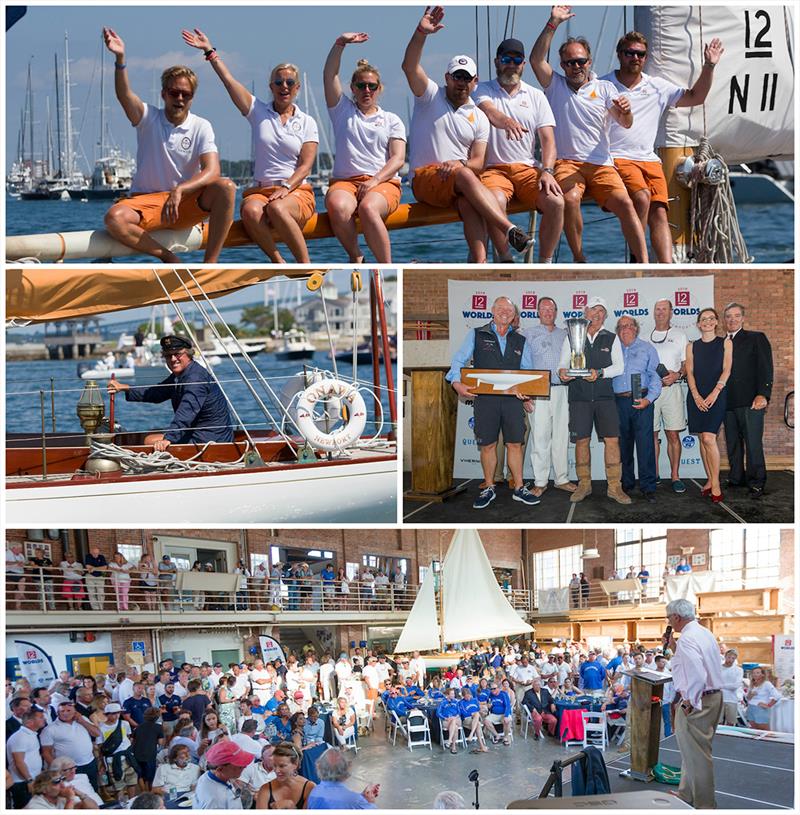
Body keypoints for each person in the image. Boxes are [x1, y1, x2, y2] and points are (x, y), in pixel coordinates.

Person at [402, 6, 533, 262]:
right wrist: (421, 33)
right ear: (447, 78)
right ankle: (509, 230)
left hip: (458, 184)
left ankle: (483, 263)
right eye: (456, 77)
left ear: (475, 81)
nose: (461, 83)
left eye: (466, 78)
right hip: (425, 179)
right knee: (466, 177)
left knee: (469, 203)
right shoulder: (429, 96)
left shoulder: (479, 116)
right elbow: (409, 66)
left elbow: (478, 162)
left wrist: (458, 164)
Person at [182, 29, 318, 264]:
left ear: (297, 88)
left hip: (295, 192)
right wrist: (209, 51)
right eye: (278, 82)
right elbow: (229, 81)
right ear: (271, 86)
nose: (283, 86)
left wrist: (286, 187)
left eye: (289, 82)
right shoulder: (257, 111)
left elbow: (306, 166)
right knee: (249, 211)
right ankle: (278, 263)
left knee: (277, 209)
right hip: (261, 192)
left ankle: (305, 266)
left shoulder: (307, 122)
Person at [101, 28, 235, 263]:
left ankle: (210, 265)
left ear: (192, 97)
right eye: (174, 93)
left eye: (186, 94)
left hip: (183, 203)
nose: (180, 98)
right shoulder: (147, 118)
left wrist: (181, 189)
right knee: (114, 218)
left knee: (226, 187)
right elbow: (124, 95)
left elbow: (213, 171)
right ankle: (168, 258)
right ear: (164, 94)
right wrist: (120, 60)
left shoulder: (201, 126)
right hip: (147, 202)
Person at [530, 6, 648, 263]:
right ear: (562, 65)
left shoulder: (605, 88)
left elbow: (625, 123)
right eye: (570, 62)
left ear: (589, 62)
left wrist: (626, 112)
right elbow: (536, 60)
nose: (576, 66)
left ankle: (645, 262)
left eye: (581, 61)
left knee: (627, 204)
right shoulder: (554, 85)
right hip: (567, 162)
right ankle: (579, 256)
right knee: (570, 199)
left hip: (601, 164)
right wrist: (553, 23)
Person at [602, 31, 724, 262]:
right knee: (642, 197)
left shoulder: (657, 87)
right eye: (630, 53)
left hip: (649, 160)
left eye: (640, 54)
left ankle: (668, 266)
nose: (635, 58)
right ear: (620, 55)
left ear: (646, 58)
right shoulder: (604, 85)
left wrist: (709, 65)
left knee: (659, 212)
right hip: (617, 158)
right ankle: (640, 260)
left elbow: (696, 97)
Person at [474, 38, 563, 262]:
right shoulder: (481, 90)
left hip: (527, 168)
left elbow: (548, 140)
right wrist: (506, 121)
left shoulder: (536, 96)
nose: (511, 64)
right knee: (494, 201)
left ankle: (545, 262)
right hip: (494, 169)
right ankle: (505, 257)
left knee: (556, 202)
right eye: (506, 59)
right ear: (497, 62)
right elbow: (489, 111)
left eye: (517, 60)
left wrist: (548, 171)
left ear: (523, 64)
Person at [447, 296, 541, 509]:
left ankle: (518, 488)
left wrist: (526, 390)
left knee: (515, 443)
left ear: (514, 316)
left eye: (509, 311)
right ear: (492, 311)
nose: (505, 313)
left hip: (512, 402)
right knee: (488, 445)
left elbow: (527, 370)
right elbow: (459, 360)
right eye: (501, 309)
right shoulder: (477, 333)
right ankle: (489, 487)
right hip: (485, 400)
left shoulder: (520, 340)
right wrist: (456, 382)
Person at [323, 34, 406, 263]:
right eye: (361, 86)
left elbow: (398, 159)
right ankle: (356, 257)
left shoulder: (392, 120)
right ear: (353, 88)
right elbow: (329, 75)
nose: (366, 90)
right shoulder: (342, 111)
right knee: (337, 206)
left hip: (383, 182)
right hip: (346, 183)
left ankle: (387, 266)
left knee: (369, 208)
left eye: (371, 86)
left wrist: (375, 180)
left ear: (379, 89)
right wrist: (339, 43)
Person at [558, 296, 629, 504]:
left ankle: (615, 487)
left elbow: (619, 367)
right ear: (585, 312)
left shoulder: (611, 337)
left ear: (605, 316)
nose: (596, 314)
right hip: (578, 397)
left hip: (605, 398)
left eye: (601, 311)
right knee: (582, 440)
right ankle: (584, 485)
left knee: (612, 440)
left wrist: (599, 372)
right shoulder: (571, 335)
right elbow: (562, 364)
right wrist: (562, 372)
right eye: (593, 310)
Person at [108, 335, 234, 450]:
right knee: (153, 433)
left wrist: (170, 439)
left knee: (149, 440)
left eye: (178, 354)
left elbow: (187, 411)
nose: (173, 359)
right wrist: (125, 387)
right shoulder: (181, 375)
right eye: (168, 355)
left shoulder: (195, 377)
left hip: (211, 439)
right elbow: (156, 392)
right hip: (199, 433)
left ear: (189, 354)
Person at [664, 598, 723, 809]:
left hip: (699, 699)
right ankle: (686, 793)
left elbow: (697, 673)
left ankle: (705, 804)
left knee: (698, 755)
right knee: (692, 750)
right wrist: (674, 648)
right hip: (713, 696)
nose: (668, 622)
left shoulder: (688, 638)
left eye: (668, 617)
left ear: (676, 617)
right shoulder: (704, 633)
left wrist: (690, 700)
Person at [521, 297, 575, 496]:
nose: (547, 312)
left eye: (551, 309)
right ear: (537, 312)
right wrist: (526, 396)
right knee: (540, 437)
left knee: (561, 436)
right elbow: (523, 365)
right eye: (544, 309)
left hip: (562, 390)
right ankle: (540, 481)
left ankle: (561, 479)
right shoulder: (528, 335)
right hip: (538, 392)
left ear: (556, 312)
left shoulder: (567, 335)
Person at [723, 302, 774, 498]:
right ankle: (736, 478)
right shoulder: (721, 343)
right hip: (727, 402)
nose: (732, 319)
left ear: (743, 318)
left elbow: (766, 368)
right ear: (724, 320)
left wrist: (763, 394)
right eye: (728, 316)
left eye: (736, 316)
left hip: (751, 400)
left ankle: (757, 481)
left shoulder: (756, 338)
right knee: (733, 444)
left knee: (753, 444)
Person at [613, 316, 662, 502]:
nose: (625, 329)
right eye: (621, 326)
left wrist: (648, 399)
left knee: (645, 445)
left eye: (629, 325)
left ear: (636, 328)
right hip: (618, 402)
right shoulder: (613, 349)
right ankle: (626, 483)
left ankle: (648, 486)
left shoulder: (647, 348)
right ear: (618, 330)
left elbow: (656, 376)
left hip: (642, 400)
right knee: (623, 445)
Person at [685, 308, 732, 502]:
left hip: (717, 395)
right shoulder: (691, 346)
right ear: (698, 324)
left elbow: (727, 370)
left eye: (711, 318)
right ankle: (710, 480)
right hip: (696, 395)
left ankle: (716, 483)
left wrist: (715, 392)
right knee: (702, 439)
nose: (707, 321)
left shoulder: (726, 343)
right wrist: (696, 395)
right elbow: (689, 372)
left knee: (708, 438)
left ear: (716, 322)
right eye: (703, 319)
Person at [648, 300, 688, 493]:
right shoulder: (645, 336)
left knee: (672, 434)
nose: (661, 312)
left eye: (664, 309)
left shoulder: (680, 335)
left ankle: (675, 476)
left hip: (673, 391)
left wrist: (677, 375)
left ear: (671, 312)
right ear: (653, 312)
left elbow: (687, 365)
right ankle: (655, 474)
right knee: (652, 435)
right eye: (658, 309)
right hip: (651, 392)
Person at [40, 700, 101, 792]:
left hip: (89, 762)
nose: (65, 713)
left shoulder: (82, 720)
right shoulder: (50, 729)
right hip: (68, 769)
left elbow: (97, 733)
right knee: (74, 793)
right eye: (62, 711)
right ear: (57, 713)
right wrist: (57, 769)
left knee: (93, 789)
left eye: (69, 711)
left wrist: (82, 721)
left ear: (75, 712)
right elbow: (46, 752)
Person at [307, 747, 380, 809]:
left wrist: (362, 796)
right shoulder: (355, 801)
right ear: (345, 772)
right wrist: (370, 801)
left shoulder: (314, 793)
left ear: (319, 767)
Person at [96, 702, 139, 802]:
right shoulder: (101, 728)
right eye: (113, 713)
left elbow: (128, 737)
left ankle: (131, 802)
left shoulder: (124, 724)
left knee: (131, 781)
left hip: (128, 757)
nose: (116, 716)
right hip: (112, 760)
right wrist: (101, 763)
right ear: (107, 714)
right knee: (118, 785)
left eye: (118, 713)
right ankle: (121, 804)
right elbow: (100, 746)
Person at [254, 740, 314, 808]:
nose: (276, 770)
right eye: (274, 765)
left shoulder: (310, 788)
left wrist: (291, 808)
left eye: (282, 766)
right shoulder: (265, 789)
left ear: (295, 764)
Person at [194, 740, 252, 809]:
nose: (245, 766)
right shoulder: (215, 802)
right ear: (220, 769)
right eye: (239, 765)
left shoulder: (209, 775)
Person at [7, 709, 46, 808]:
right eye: (40, 718)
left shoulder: (31, 734)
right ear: (30, 722)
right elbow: (19, 762)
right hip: (22, 783)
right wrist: (29, 780)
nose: (44, 719)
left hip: (32, 780)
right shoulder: (20, 737)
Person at [24, 770, 95, 810]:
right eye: (56, 782)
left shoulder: (61, 797)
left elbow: (94, 809)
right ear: (44, 789)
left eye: (62, 780)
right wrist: (70, 799)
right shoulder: (35, 805)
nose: (62, 785)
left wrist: (81, 795)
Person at [133, 707, 164, 791]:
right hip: (150, 753)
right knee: (150, 776)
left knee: (140, 774)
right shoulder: (158, 727)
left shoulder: (139, 727)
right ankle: (149, 792)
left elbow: (133, 740)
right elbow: (160, 742)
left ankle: (143, 790)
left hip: (137, 753)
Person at [719, 649, 744, 727]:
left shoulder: (738, 670)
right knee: (718, 722)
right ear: (725, 657)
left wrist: (721, 686)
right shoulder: (718, 668)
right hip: (719, 698)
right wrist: (727, 685)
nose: (730, 660)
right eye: (729, 657)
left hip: (732, 699)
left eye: (733, 658)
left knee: (731, 722)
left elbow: (735, 685)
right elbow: (715, 683)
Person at [436, 688, 463, 754]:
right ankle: (453, 747)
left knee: (453, 719)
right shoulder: (443, 702)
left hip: (457, 719)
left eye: (454, 693)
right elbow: (438, 713)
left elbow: (459, 712)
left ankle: (449, 741)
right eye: (452, 694)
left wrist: (455, 717)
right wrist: (445, 718)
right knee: (455, 728)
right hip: (446, 720)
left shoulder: (456, 702)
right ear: (447, 695)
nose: (453, 695)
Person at [83, 545, 108, 611]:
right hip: (90, 576)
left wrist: (94, 568)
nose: (95, 554)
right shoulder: (88, 556)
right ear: (91, 552)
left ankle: (101, 607)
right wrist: (98, 568)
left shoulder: (101, 557)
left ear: (98, 552)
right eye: (94, 553)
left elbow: (104, 567)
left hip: (100, 576)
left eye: (96, 553)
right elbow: (88, 566)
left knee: (101, 593)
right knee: (91, 593)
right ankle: (95, 608)